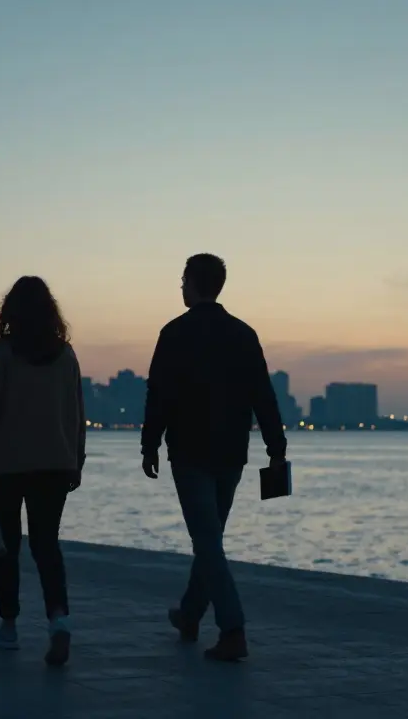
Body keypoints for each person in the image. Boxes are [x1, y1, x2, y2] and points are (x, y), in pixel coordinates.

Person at [141, 253, 287, 662]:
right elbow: (263, 394)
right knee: (210, 540)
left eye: (182, 279)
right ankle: (190, 614)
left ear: (191, 282)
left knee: (207, 540)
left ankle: (233, 629)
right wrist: (277, 449)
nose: (181, 287)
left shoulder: (174, 333)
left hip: (189, 452)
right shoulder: (242, 333)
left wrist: (149, 444)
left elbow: (159, 395)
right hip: (230, 453)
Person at [0, 275, 86, 667]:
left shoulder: (0, 354)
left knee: (7, 548)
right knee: (47, 545)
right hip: (54, 465)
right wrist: (76, 460)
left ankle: (9, 627)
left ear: (9, 311)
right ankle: (58, 621)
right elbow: (75, 415)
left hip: (6, 467)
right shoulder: (65, 356)